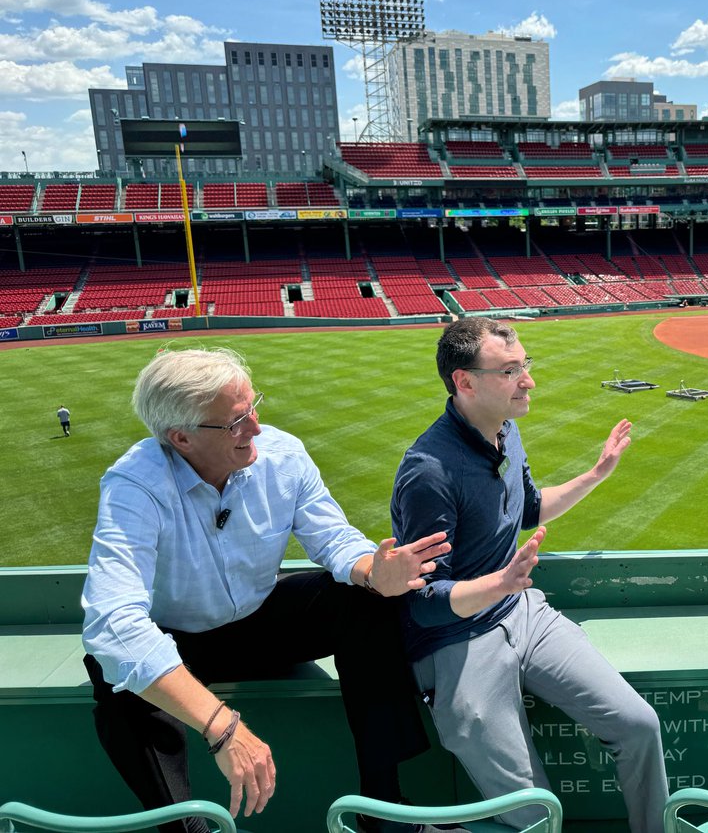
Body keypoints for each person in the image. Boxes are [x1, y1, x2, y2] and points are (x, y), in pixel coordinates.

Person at [81, 348, 451, 833]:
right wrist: (223, 728)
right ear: (180, 438)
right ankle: (185, 829)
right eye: (235, 422)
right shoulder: (134, 484)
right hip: (178, 640)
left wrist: (373, 571)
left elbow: (335, 539)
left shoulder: (282, 453)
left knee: (363, 601)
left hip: (259, 619)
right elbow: (113, 623)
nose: (255, 428)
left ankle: (382, 809)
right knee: (114, 675)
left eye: (253, 407)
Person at [391, 318, 668, 833]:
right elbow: (424, 600)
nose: (529, 381)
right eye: (510, 370)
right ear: (464, 383)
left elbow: (529, 509)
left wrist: (597, 472)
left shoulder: (505, 431)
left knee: (639, 727)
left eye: (526, 366)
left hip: (521, 612)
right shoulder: (427, 471)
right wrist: (501, 581)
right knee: (539, 814)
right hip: (455, 639)